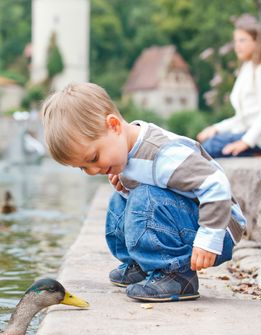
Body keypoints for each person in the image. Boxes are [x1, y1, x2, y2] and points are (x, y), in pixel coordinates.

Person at [40, 82, 246, 302]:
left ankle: (177, 276)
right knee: (120, 201)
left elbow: (215, 184)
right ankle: (142, 264)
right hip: (188, 222)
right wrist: (126, 187)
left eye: (93, 158)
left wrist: (209, 238)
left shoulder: (162, 154)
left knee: (145, 197)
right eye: (83, 167)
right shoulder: (126, 155)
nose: (92, 171)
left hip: (219, 227)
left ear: (114, 126)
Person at [197, 14, 261, 157]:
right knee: (208, 142)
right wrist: (216, 128)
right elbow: (243, 118)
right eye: (235, 41)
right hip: (256, 136)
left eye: (242, 40)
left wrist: (245, 142)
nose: (237, 45)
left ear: (257, 42)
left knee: (210, 147)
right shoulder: (247, 69)